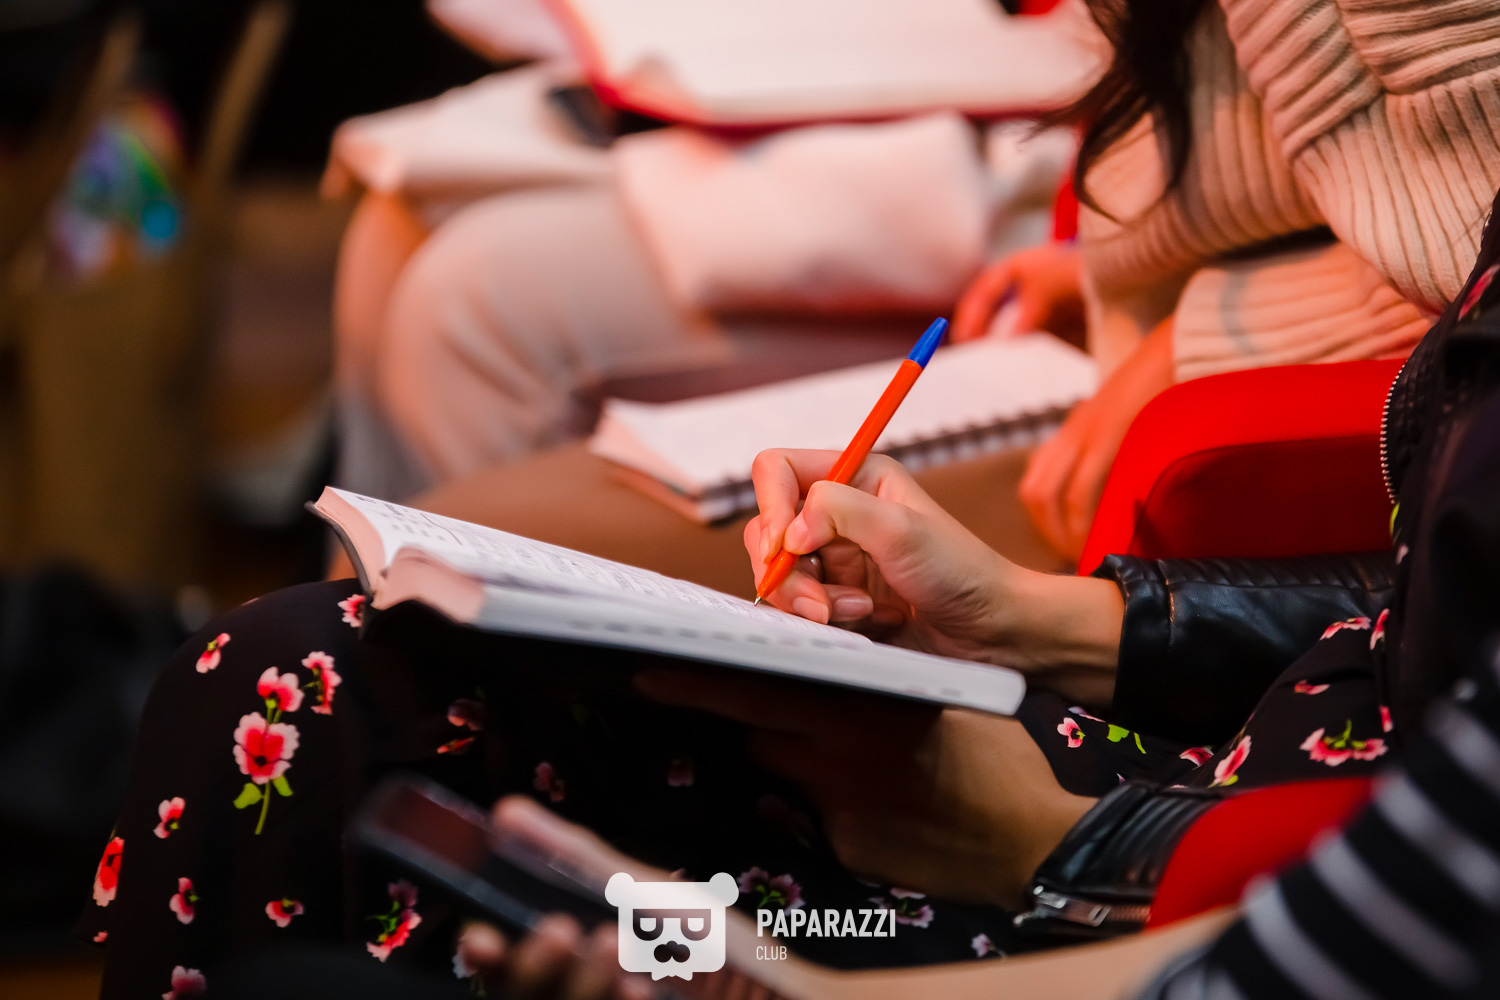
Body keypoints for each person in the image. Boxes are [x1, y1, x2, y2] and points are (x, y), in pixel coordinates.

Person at [80, 178, 1500, 998]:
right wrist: (1039, 616)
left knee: (456, 892)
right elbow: (1422, 603)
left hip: (1139, 886)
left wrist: (1058, 846)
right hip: (1196, 765)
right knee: (293, 674)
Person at [330, 0, 1500, 604]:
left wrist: (1210, 328)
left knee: (462, 394)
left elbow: (1464, 241)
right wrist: (1113, 267)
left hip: (1180, 370)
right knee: (406, 278)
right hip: (1114, 275)